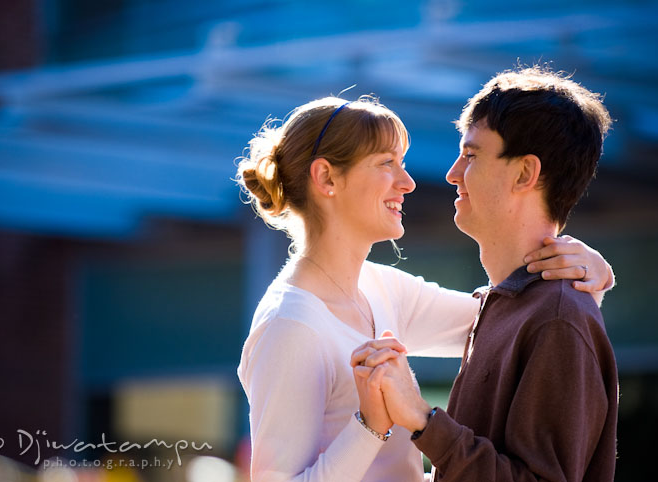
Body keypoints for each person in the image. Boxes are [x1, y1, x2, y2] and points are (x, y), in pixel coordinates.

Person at [236, 95, 614, 481]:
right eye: (387, 163)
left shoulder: (383, 289)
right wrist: (369, 426)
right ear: (327, 178)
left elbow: (511, 322)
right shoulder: (289, 326)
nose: (408, 182)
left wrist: (590, 276)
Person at [353, 67, 618, 481]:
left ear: (525, 173)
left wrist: (424, 419)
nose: (452, 173)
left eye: (472, 156)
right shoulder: (505, 305)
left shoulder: (559, 318)